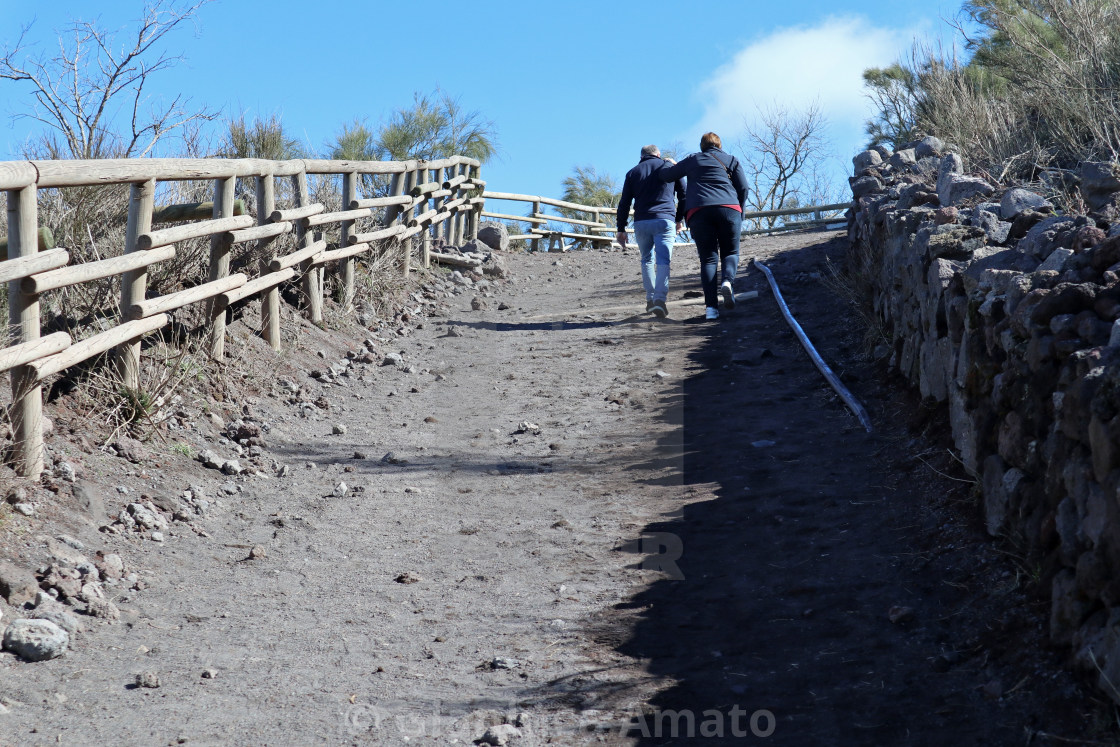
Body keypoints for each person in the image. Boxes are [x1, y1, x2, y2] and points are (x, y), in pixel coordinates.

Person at [658, 132, 748, 320]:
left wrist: (669, 162)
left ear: (701, 146)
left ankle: (711, 310)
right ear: (719, 145)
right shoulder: (731, 160)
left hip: (698, 212)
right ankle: (727, 282)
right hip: (729, 209)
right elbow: (744, 188)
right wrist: (739, 210)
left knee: (708, 259)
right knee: (730, 252)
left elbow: (666, 176)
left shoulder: (693, 160)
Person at [616, 145, 686, 318]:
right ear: (658, 154)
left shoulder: (632, 172)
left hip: (641, 222)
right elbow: (684, 194)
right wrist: (679, 219)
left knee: (646, 259)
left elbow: (624, 203)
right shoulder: (668, 167)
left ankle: (650, 299)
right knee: (663, 261)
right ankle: (660, 301)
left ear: (641, 156)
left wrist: (621, 229)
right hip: (664, 220)